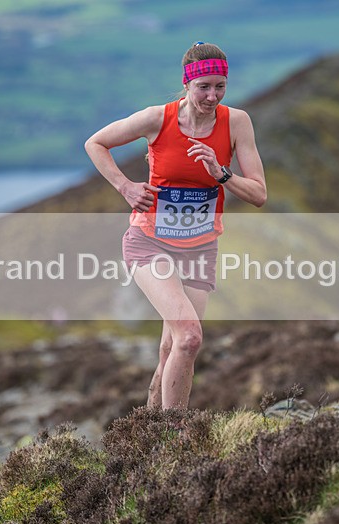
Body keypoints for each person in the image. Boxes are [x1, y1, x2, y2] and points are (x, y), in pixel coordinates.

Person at [84, 42, 267, 409]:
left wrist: (222, 174)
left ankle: (150, 431)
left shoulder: (237, 123)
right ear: (187, 84)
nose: (213, 96)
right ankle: (174, 439)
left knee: (172, 347)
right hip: (150, 242)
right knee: (189, 338)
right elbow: (96, 143)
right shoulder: (158, 119)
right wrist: (126, 187)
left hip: (200, 248)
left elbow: (259, 193)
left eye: (220, 86)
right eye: (204, 87)